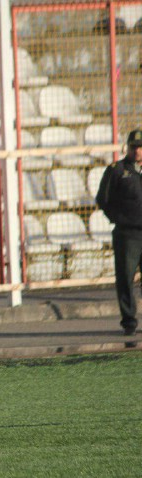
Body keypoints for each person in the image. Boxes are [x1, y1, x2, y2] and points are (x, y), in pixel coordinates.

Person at [95, 129, 142, 336]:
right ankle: (129, 321)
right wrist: (118, 218)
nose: (137, 151)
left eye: (140, 147)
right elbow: (103, 198)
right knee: (125, 278)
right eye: (134, 147)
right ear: (128, 147)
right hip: (128, 234)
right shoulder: (117, 170)